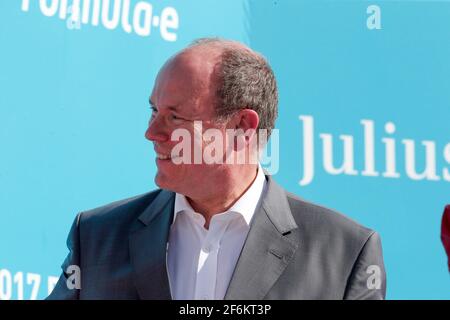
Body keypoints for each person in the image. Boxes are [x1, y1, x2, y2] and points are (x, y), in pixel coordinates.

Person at [47, 38, 386, 300]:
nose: (152, 132)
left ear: (241, 127)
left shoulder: (345, 253)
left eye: (175, 117)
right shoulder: (96, 237)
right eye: (154, 110)